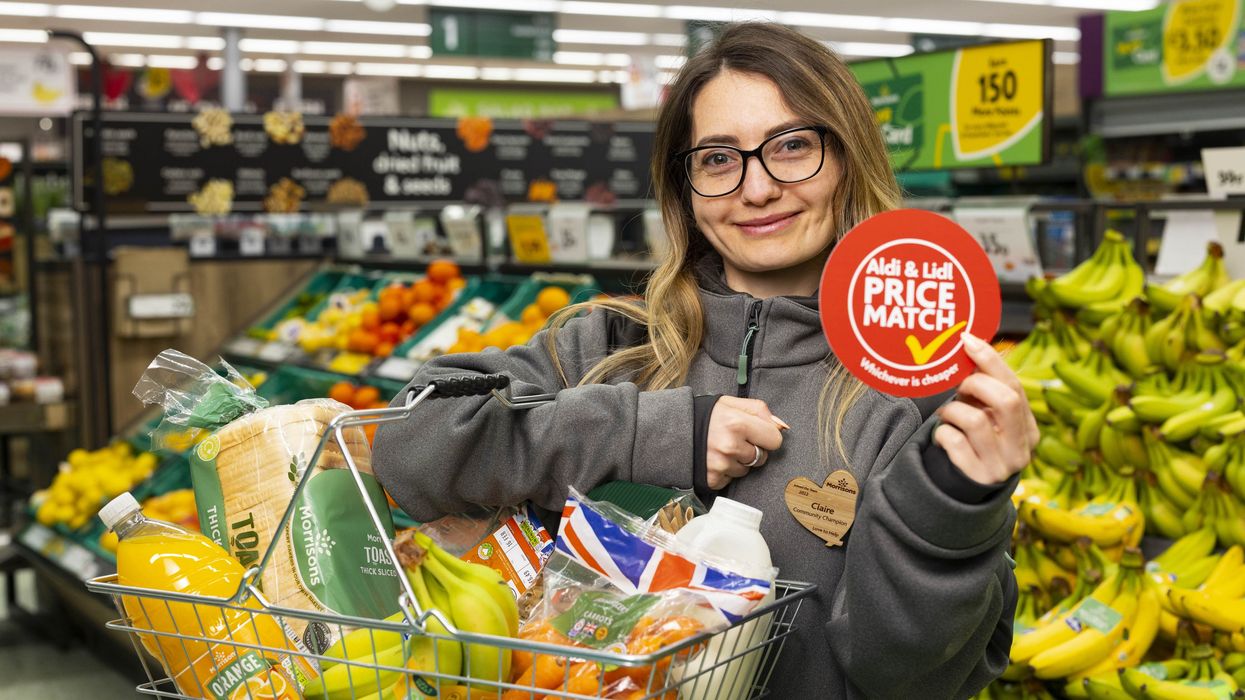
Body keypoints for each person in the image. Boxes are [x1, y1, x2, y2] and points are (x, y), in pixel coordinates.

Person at [374, 22, 1036, 699]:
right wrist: (652, 434)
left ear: (849, 158)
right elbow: (404, 444)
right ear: (683, 186)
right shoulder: (607, 345)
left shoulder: (911, 393)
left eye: (792, 146)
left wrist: (953, 505)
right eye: (718, 158)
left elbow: (906, 681)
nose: (756, 189)